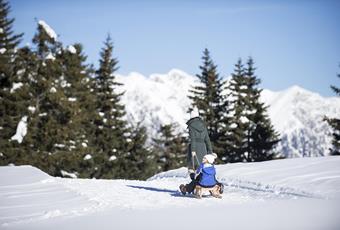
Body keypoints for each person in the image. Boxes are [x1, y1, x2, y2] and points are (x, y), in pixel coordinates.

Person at [179, 107, 214, 194]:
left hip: (195, 148)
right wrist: (210, 151)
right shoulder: (203, 125)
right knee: (203, 168)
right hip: (203, 148)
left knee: (192, 168)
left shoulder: (191, 126)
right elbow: (207, 140)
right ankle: (205, 185)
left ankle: (191, 187)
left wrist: (193, 150)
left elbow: (193, 139)